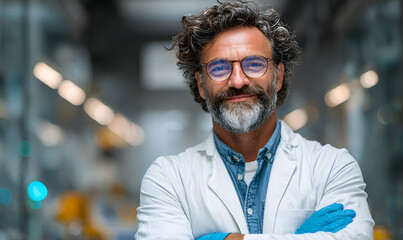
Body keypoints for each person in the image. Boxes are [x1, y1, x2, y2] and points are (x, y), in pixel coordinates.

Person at [135, 1, 374, 239]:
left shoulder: (332, 167)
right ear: (201, 85)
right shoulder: (168, 179)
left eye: (254, 64)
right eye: (219, 68)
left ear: (278, 77)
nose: (238, 81)